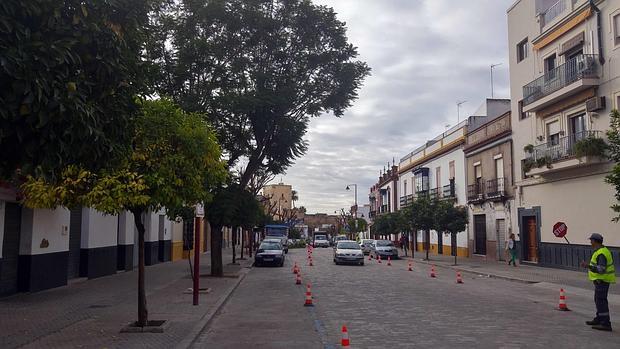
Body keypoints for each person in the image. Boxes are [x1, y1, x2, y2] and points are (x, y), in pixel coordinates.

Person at [580, 233, 615, 332]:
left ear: (595, 241)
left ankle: (606, 323)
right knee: (598, 300)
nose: (590, 242)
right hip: (600, 281)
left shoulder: (601, 253)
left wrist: (588, 266)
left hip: (602, 281)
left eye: (591, 240)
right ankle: (599, 319)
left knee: (601, 301)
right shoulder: (600, 251)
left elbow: (601, 269)